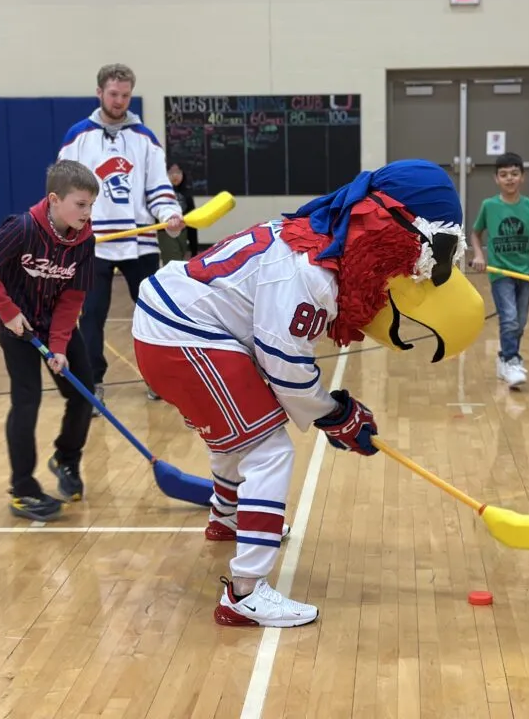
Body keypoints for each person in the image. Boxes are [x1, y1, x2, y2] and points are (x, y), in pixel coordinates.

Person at [130, 159, 486, 627]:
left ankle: (228, 517)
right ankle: (244, 593)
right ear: (391, 224)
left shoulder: (313, 234)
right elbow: (286, 369)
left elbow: (276, 358)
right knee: (268, 448)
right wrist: (338, 414)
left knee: (242, 433)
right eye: (432, 247)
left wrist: (331, 412)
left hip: (178, 322)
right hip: (181, 334)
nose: (424, 266)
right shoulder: (310, 274)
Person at [0, 160, 99, 521]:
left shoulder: (85, 241)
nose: (87, 213)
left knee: (83, 393)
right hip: (18, 326)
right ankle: (23, 489)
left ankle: (66, 460)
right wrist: (7, 312)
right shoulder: (21, 228)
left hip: (57, 324)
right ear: (55, 199)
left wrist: (58, 346)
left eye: (91, 206)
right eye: (80, 204)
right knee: (27, 402)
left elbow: (73, 296)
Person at [57, 63, 185, 407]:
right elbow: (63, 190)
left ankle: (157, 379)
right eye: (113, 94)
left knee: (152, 315)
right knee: (92, 315)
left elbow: (158, 188)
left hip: (140, 243)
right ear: (99, 92)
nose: (119, 101)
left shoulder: (145, 138)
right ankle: (92, 381)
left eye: (125, 95)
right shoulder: (77, 137)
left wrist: (170, 214)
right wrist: (68, 229)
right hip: (93, 244)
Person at [469, 152, 529, 389]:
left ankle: (504, 357)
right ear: (496, 179)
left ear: (522, 177)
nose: (509, 179)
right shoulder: (489, 206)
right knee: (510, 319)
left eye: (514, 174)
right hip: (500, 273)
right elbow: (476, 234)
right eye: (504, 175)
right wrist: (478, 254)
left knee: (520, 322)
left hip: (524, 273)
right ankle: (511, 360)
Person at [157, 161, 200, 263]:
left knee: (180, 262)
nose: (175, 175)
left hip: (183, 234)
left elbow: (192, 222)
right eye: (171, 172)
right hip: (165, 233)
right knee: (172, 262)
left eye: (178, 172)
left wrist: (194, 249)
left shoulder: (187, 194)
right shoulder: (161, 193)